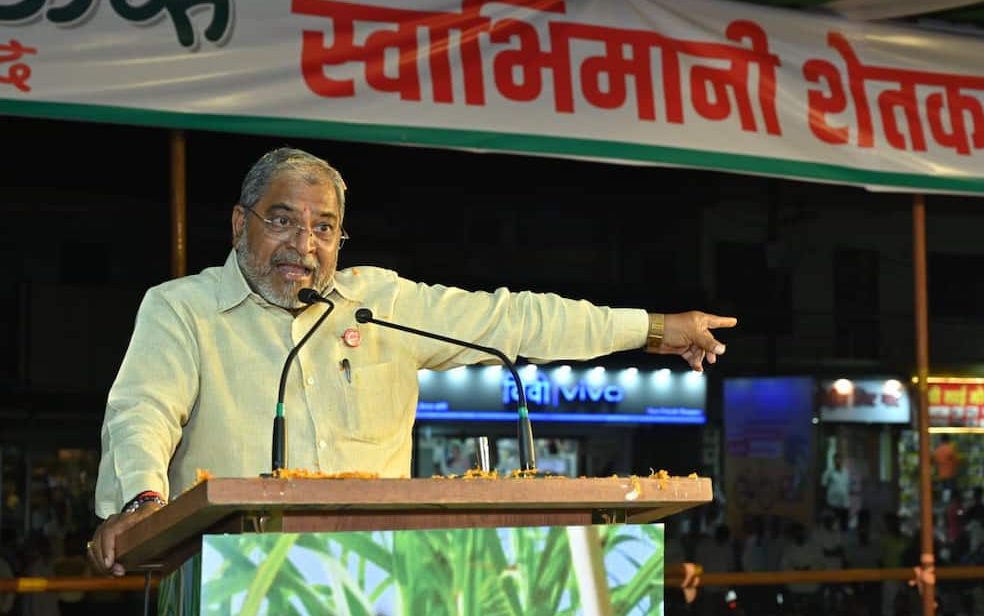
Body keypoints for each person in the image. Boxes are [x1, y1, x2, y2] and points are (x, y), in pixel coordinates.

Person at [87, 147, 737, 576]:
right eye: (282, 221)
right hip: (230, 586)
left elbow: (515, 318)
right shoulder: (182, 309)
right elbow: (144, 412)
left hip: (374, 587)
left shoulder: (380, 303)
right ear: (238, 223)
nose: (304, 245)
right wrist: (146, 499)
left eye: (324, 228)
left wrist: (655, 329)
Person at [820, 452, 851, 528]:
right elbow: (823, 486)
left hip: (844, 503)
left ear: (842, 460)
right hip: (832, 504)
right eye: (836, 459)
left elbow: (848, 486)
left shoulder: (846, 472)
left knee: (844, 527)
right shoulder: (828, 472)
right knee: (829, 527)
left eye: (839, 459)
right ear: (833, 460)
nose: (838, 461)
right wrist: (824, 501)